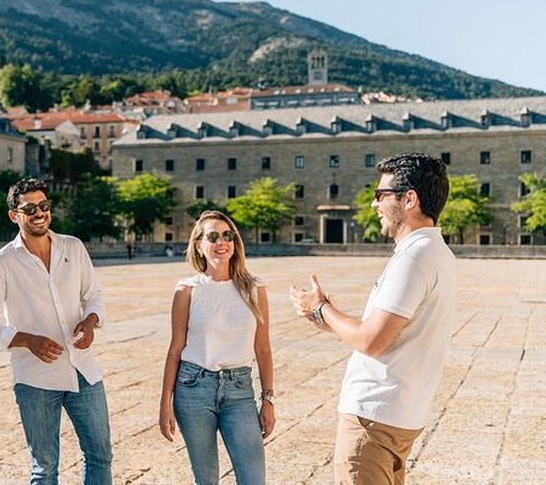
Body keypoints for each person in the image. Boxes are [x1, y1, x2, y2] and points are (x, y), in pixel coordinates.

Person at [288, 152, 456, 485]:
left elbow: (371, 340)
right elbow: (390, 333)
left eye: (381, 195)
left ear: (409, 199)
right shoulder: (437, 252)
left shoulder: (413, 257)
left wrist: (320, 308)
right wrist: (330, 319)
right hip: (399, 415)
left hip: (373, 419)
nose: (373, 204)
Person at [0, 178, 113, 484]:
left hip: (84, 370)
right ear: (14, 215)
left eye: (45, 206)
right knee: (44, 468)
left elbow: (95, 296)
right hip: (35, 377)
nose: (40, 213)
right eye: (30, 208)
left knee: (101, 456)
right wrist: (27, 340)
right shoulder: (2, 262)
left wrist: (90, 321)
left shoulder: (73, 247)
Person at [159, 210, 275, 485]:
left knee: (253, 479)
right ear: (198, 245)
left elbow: (263, 349)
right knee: (207, 479)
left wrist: (268, 399)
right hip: (193, 389)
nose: (221, 242)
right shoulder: (187, 290)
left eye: (228, 235)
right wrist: (165, 403)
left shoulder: (254, 289)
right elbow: (175, 349)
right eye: (213, 236)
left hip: (239, 391)